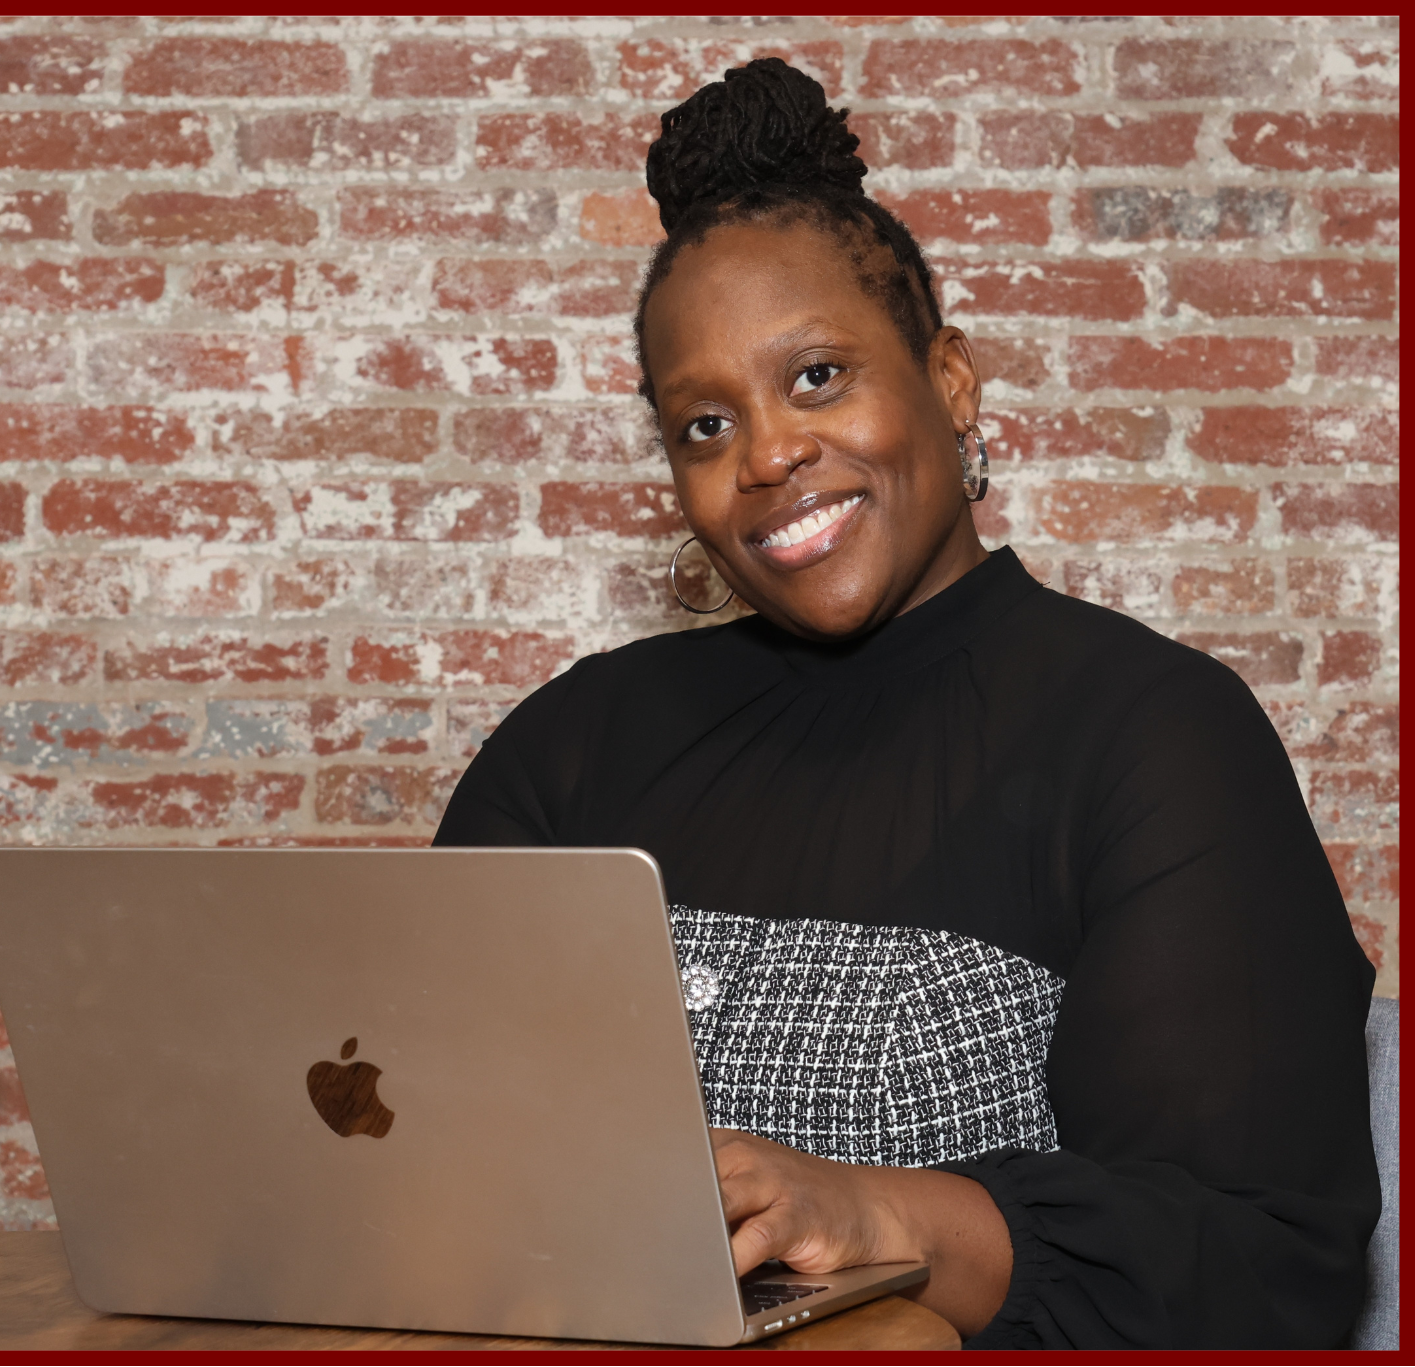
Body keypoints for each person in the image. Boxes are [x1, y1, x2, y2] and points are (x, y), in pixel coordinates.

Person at [434, 59, 1379, 1348]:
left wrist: (890, 1220)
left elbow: (1271, 1266)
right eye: (703, 425)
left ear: (951, 383)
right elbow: (429, 1152)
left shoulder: (1159, 737)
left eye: (817, 377)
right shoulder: (574, 743)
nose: (765, 455)